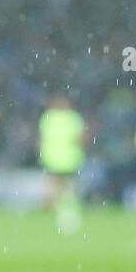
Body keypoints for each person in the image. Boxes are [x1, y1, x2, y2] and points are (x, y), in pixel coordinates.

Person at [38, 94, 86, 233]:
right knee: (69, 187)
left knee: (53, 186)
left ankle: (54, 212)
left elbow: (42, 139)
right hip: (70, 158)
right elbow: (80, 138)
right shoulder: (73, 118)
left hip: (52, 158)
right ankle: (68, 211)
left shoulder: (48, 117)